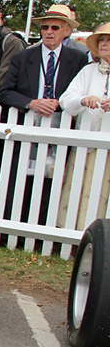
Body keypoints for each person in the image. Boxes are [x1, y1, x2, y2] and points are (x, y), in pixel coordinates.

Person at [57, 22, 110, 229]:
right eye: (102, 40)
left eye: (109, 40)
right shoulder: (88, 71)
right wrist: (83, 100)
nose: (104, 43)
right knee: (78, 189)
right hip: (85, 146)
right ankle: (72, 234)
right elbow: (65, 100)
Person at [0, 4, 88, 125]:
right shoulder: (21, 57)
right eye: (45, 27)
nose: (49, 32)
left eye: (55, 28)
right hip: (27, 121)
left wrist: (59, 102)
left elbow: (81, 93)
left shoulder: (78, 58)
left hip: (63, 122)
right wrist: (31, 103)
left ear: (66, 31)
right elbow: (5, 92)